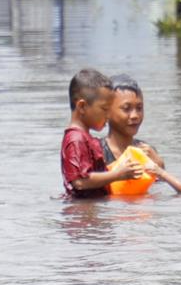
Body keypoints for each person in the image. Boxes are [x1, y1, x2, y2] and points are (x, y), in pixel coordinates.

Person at [61, 68, 145, 198]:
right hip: (82, 212)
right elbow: (79, 181)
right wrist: (118, 174)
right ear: (82, 107)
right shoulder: (75, 138)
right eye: (105, 109)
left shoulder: (86, 138)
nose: (108, 115)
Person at [101, 75, 165, 169]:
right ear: (106, 112)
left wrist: (160, 166)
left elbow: (160, 182)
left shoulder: (147, 152)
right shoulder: (97, 153)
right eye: (126, 109)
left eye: (139, 108)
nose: (135, 115)